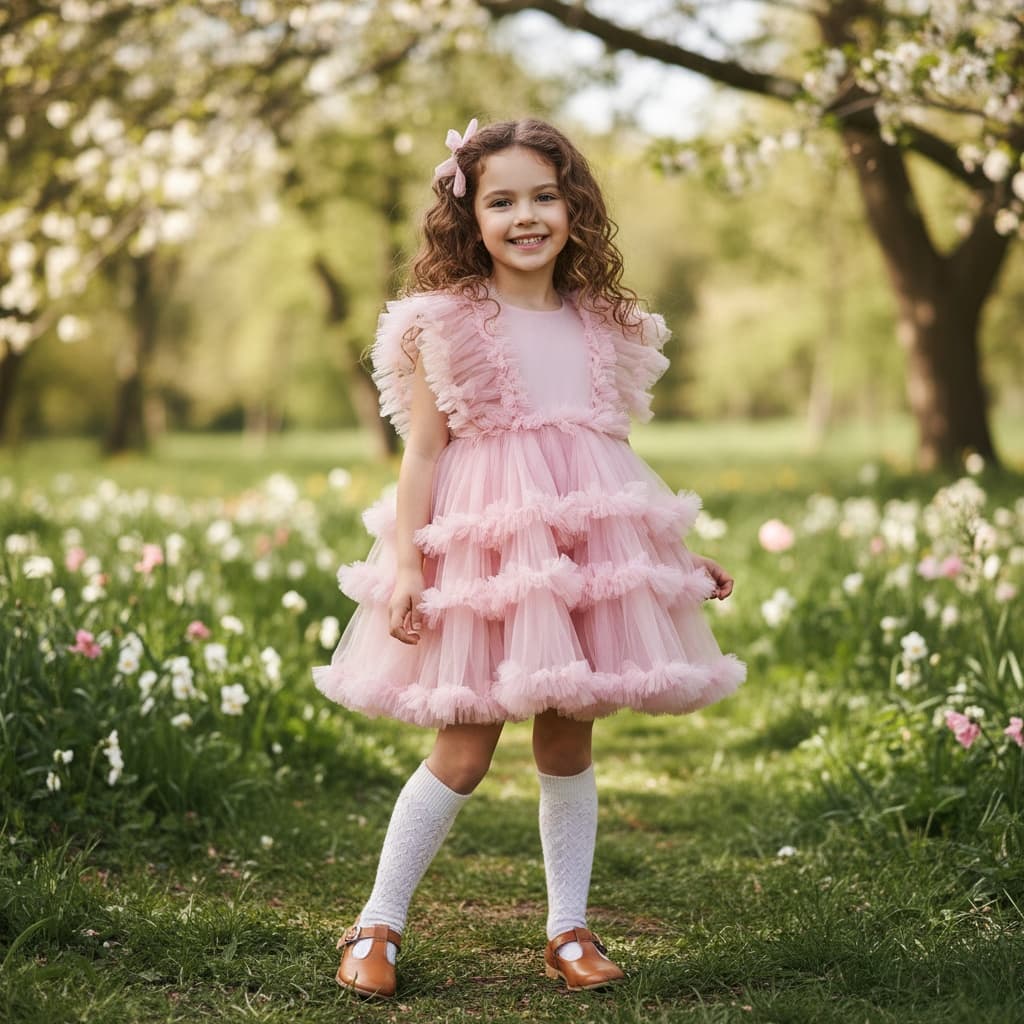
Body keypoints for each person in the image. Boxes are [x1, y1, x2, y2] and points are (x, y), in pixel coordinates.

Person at [313, 117, 746, 999]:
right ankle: (378, 921)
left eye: (543, 196)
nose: (525, 217)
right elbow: (425, 453)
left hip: (582, 552)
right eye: (501, 200)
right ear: (468, 218)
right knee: (464, 749)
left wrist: (672, 554)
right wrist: (407, 564)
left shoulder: (606, 326)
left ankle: (568, 930)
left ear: (573, 206)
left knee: (566, 741)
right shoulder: (448, 325)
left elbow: (612, 457)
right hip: (486, 547)